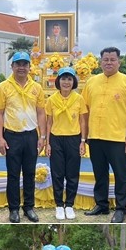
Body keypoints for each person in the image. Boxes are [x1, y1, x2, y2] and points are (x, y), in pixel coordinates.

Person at [82, 47, 126, 223]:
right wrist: (84, 135)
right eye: (105, 60)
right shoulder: (91, 82)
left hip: (117, 138)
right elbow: (85, 110)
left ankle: (121, 208)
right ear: (100, 62)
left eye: (112, 59)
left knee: (120, 174)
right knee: (99, 172)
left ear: (119, 62)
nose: (109, 62)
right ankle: (101, 205)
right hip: (95, 137)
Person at [0, 51, 47, 223]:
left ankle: (29, 207)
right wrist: (0, 138)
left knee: (30, 173)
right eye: (18, 64)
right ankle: (14, 209)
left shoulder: (36, 88)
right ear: (12, 66)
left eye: (25, 64)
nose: (22, 67)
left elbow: (41, 113)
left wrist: (42, 136)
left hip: (31, 135)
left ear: (29, 67)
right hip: (12, 135)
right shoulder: (4, 87)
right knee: (13, 174)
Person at [45, 67, 88, 220]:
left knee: (72, 173)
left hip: (74, 139)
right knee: (57, 174)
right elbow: (49, 122)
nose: (66, 82)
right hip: (56, 139)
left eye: (69, 79)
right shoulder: (51, 99)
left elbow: (83, 121)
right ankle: (58, 205)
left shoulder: (79, 99)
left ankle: (69, 204)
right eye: (63, 79)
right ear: (58, 81)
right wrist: (47, 143)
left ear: (73, 81)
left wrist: (83, 141)